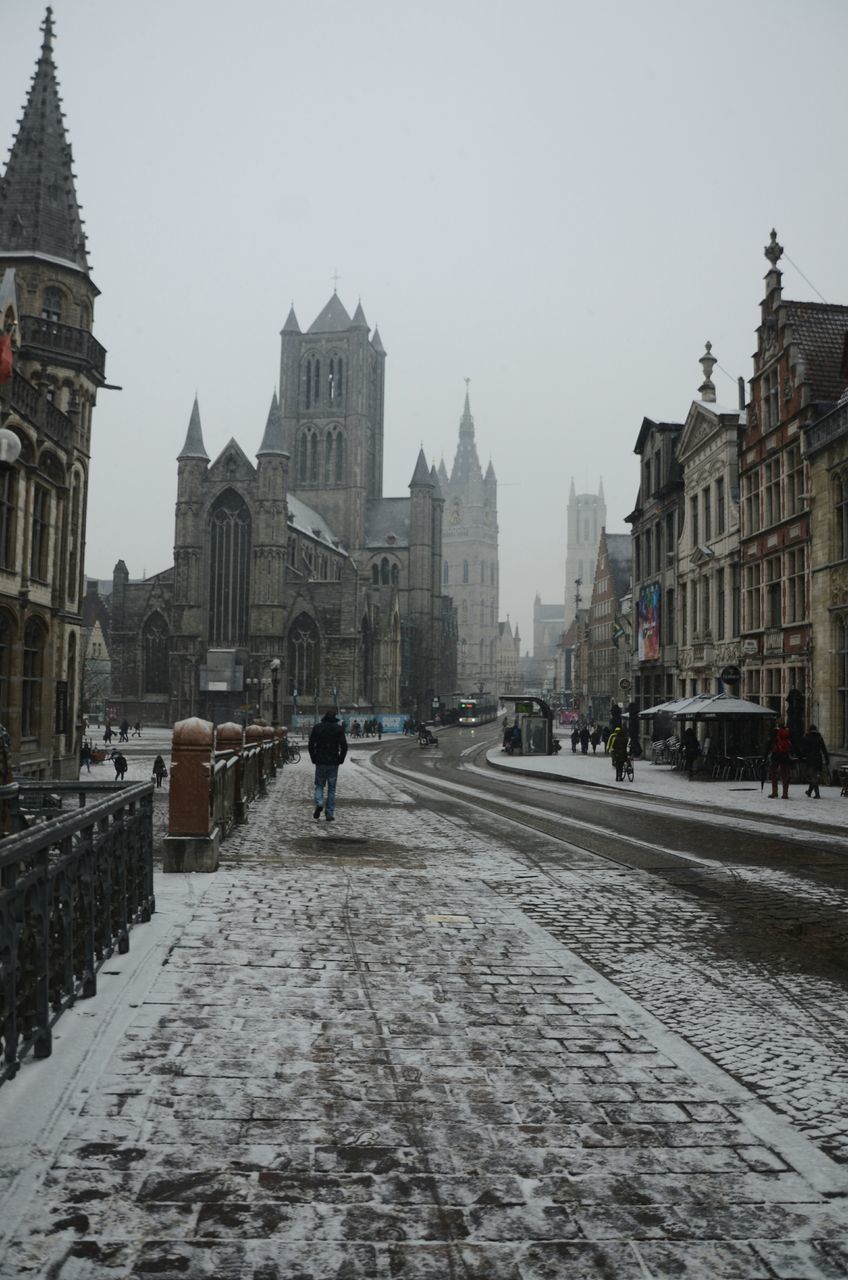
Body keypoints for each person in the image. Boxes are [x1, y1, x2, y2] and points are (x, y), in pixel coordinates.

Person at [308, 710, 348, 822]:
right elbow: (344, 746)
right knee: (331, 789)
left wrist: (313, 757)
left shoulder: (318, 727)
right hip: (333, 762)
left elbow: (311, 744)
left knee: (319, 785)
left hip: (320, 761)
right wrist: (341, 759)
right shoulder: (338, 729)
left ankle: (319, 802)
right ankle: (329, 813)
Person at [801, 724, 829, 799]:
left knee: (813, 777)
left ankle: (817, 794)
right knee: (814, 775)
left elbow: (804, 750)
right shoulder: (819, 737)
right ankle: (809, 791)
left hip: (810, 760)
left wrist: (802, 756)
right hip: (818, 759)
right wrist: (827, 759)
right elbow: (824, 749)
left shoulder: (806, 737)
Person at [768, 719, 792, 799]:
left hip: (776, 754)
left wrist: (765, 754)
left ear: (777, 724)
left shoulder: (775, 731)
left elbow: (769, 742)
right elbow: (792, 743)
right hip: (785, 755)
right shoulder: (788, 732)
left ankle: (774, 792)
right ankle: (785, 793)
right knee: (785, 774)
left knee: (773, 773)